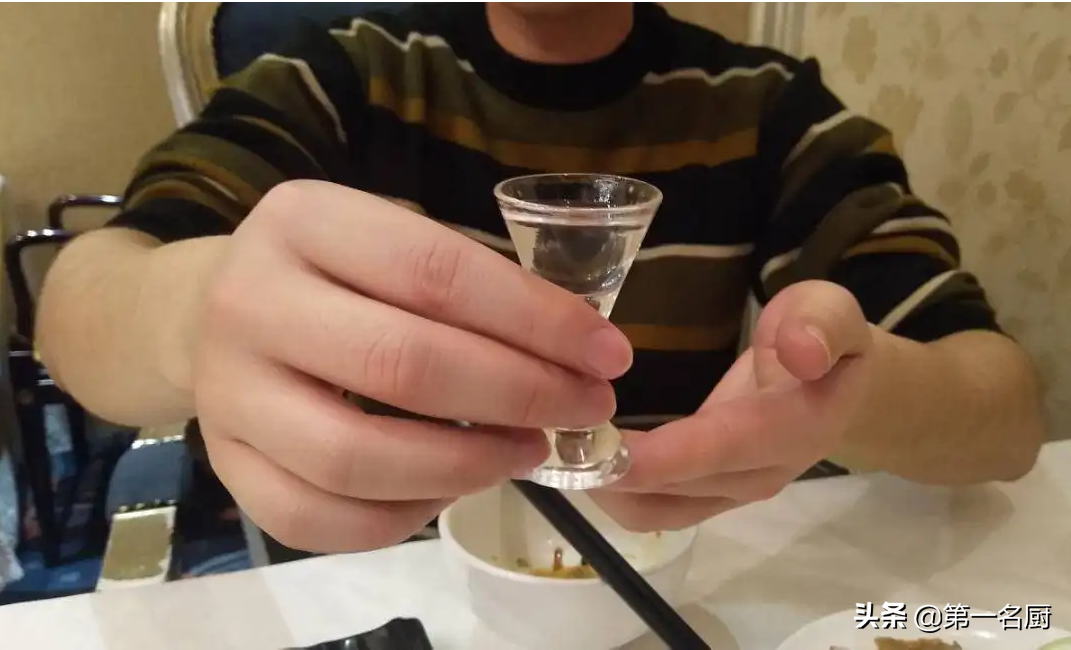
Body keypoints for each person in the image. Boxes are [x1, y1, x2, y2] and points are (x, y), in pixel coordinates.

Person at [36, 2, 1044, 557]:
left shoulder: (769, 107)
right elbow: (83, 303)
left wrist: (850, 394)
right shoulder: (340, 76)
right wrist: (192, 313)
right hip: (388, 575)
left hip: (672, 563)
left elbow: (1003, 413)